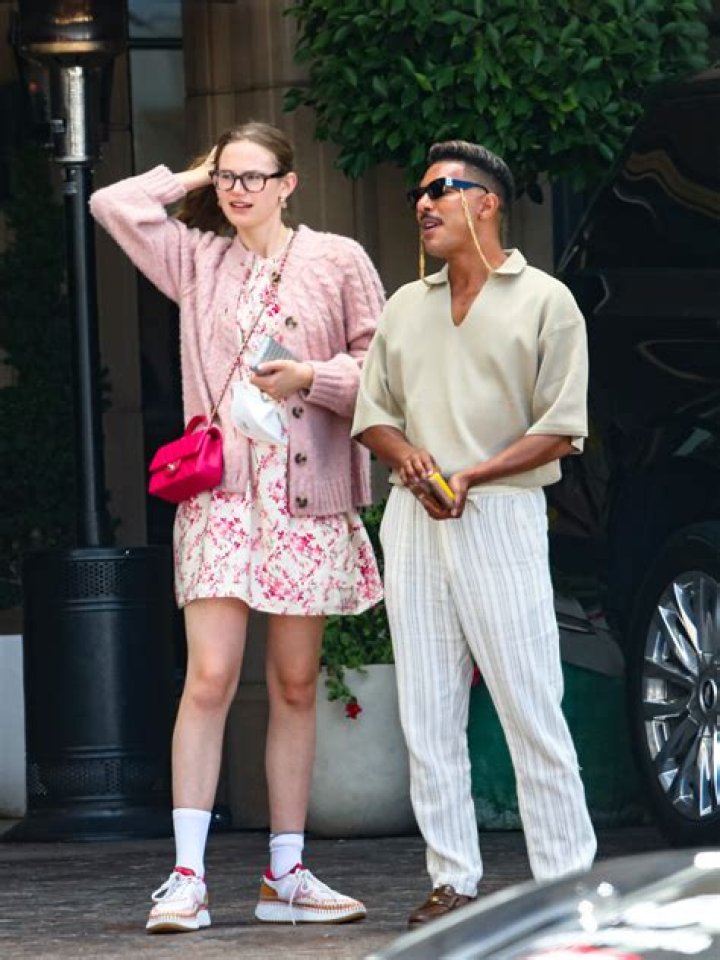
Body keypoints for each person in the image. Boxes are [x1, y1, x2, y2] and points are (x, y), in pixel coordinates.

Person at [90, 121, 384, 932]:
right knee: (210, 678)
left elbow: (382, 368)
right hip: (220, 497)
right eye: (228, 177)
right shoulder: (198, 258)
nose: (238, 191)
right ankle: (187, 877)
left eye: (255, 177)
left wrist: (310, 376)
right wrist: (191, 176)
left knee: (293, 684)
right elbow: (112, 204)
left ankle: (285, 875)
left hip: (304, 499)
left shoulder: (338, 260)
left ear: (290, 183)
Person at [352, 140, 597, 927]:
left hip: (502, 512)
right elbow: (373, 415)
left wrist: (473, 474)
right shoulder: (404, 305)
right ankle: (453, 880)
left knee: (531, 705)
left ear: (486, 203)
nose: (423, 205)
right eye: (418, 195)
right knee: (426, 711)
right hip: (413, 516)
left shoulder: (546, 301)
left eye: (440, 191)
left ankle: (566, 885)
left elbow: (562, 428)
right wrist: (408, 459)